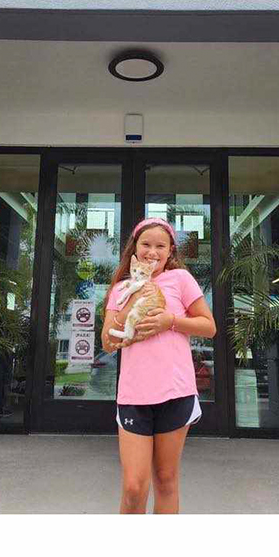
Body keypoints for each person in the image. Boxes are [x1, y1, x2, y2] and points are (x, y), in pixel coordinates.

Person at [101, 217, 216, 514]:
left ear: (170, 251)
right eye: (146, 245)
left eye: (160, 246)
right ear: (135, 250)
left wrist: (171, 321)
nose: (153, 252)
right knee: (134, 487)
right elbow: (107, 342)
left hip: (175, 392)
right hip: (134, 396)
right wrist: (133, 298)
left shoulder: (181, 280)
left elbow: (209, 326)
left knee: (165, 480)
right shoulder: (121, 288)